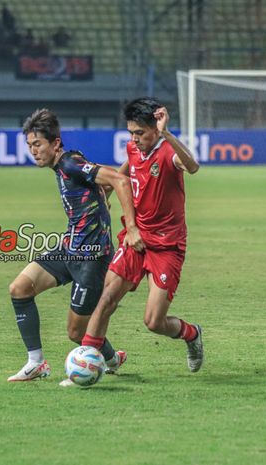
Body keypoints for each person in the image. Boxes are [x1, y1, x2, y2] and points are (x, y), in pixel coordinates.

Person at [7, 108, 142, 384]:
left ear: (55, 143)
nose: (33, 151)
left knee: (75, 332)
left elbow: (120, 180)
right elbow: (102, 183)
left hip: (92, 259)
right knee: (19, 288)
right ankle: (36, 363)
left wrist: (131, 229)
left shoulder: (70, 163)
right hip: (70, 249)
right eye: (30, 145)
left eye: (38, 144)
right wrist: (100, 194)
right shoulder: (64, 167)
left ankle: (107, 361)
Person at [80, 97, 203, 378]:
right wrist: (110, 188)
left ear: (155, 129)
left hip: (167, 246)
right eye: (131, 133)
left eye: (140, 133)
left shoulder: (167, 153)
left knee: (153, 321)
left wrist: (168, 134)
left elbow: (193, 167)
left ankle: (192, 334)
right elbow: (129, 166)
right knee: (107, 298)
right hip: (135, 238)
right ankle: (87, 362)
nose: (135, 140)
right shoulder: (134, 148)